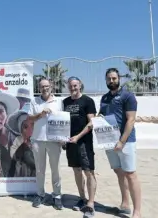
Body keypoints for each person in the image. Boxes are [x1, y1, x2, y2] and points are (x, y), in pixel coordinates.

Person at [99, 68, 141, 218]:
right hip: (108, 141)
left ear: (119, 79)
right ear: (105, 80)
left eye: (114, 78)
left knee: (130, 174)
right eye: (109, 79)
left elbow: (131, 120)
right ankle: (125, 204)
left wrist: (122, 141)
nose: (112, 81)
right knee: (119, 172)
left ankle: (137, 212)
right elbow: (101, 116)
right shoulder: (104, 98)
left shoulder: (128, 96)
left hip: (126, 141)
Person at [63, 77, 97, 217]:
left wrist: (78, 136)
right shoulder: (65, 102)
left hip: (84, 142)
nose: (73, 88)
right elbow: (62, 122)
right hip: (70, 143)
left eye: (75, 85)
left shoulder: (88, 101)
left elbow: (91, 122)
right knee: (77, 171)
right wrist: (62, 139)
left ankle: (91, 203)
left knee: (88, 172)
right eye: (71, 86)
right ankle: (82, 198)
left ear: (80, 85)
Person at [28, 78, 64, 210]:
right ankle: (40, 194)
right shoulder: (34, 101)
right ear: (39, 88)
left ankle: (57, 195)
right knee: (39, 170)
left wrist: (63, 138)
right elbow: (29, 119)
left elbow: (63, 120)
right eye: (42, 86)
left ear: (51, 86)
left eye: (47, 86)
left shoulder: (58, 102)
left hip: (54, 141)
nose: (45, 88)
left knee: (56, 170)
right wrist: (40, 114)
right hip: (37, 140)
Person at [7, 111, 35, 177]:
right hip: (20, 172)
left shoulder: (37, 139)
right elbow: (11, 154)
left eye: (32, 125)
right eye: (25, 127)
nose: (29, 129)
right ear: (20, 128)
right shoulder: (18, 139)